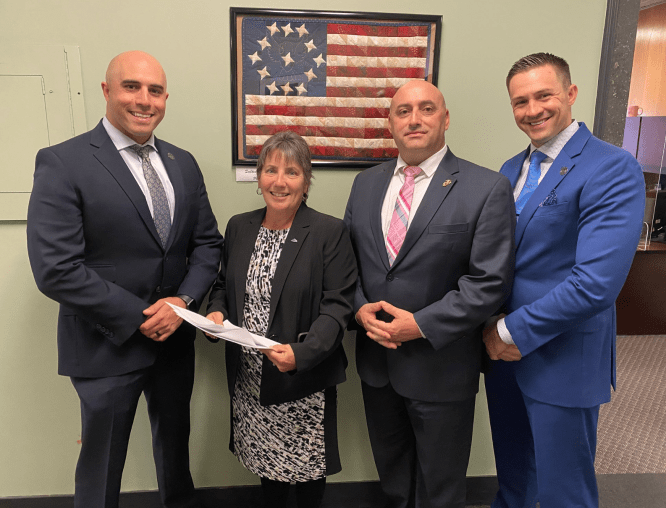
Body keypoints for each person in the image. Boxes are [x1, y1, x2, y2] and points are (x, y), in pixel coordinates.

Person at [26, 51, 223, 508]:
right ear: (107, 90)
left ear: (166, 98)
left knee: (176, 458)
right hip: (105, 342)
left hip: (174, 341)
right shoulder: (64, 161)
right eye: (131, 86)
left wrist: (183, 302)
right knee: (101, 468)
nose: (144, 100)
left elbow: (207, 245)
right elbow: (55, 268)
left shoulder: (183, 163)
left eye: (155, 90)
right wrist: (142, 316)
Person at [483, 52, 645, 508]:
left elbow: (595, 284)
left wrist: (507, 330)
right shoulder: (510, 169)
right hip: (503, 356)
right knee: (514, 480)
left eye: (544, 96)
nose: (532, 110)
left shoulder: (611, 167)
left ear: (570, 94)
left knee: (564, 492)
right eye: (520, 102)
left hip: (563, 355)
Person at [343, 80, 515, 508]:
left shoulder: (485, 187)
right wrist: (359, 309)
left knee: (441, 488)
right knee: (394, 480)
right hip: (378, 364)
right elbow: (347, 265)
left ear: (446, 118)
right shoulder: (365, 184)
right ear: (390, 123)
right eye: (403, 111)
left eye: (426, 109)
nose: (414, 120)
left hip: (441, 367)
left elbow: (489, 282)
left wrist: (419, 325)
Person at [205, 131, 357, 508]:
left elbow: (337, 306)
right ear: (258, 178)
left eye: (291, 172)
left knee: (306, 473)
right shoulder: (239, 227)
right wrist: (216, 311)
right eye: (270, 170)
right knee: (266, 469)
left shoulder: (328, 232)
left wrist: (301, 355)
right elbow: (223, 284)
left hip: (302, 379)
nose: (279, 181)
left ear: (306, 181)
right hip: (250, 379)